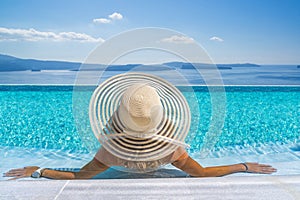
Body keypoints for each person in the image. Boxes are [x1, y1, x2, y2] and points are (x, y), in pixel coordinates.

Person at [4, 73, 277, 180]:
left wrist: (38, 171)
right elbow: (203, 173)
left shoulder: (110, 152)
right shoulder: (172, 151)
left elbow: (78, 176)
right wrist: (242, 166)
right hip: (159, 150)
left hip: (123, 151)